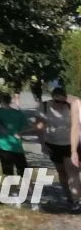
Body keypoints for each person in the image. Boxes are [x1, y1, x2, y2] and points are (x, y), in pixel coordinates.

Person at [34, 83, 81, 211]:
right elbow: (39, 127)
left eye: (62, 101)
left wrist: (73, 151)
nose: (59, 104)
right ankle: (70, 198)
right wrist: (42, 144)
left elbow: (76, 127)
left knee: (72, 171)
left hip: (70, 143)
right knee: (62, 172)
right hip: (53, 144)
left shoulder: (72, 107)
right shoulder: (44, 107)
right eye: (56, 101)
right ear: (52, 98)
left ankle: (77, 201)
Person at [0, 91, 30, 177]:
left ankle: (12, 189)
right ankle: (30, 189)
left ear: (0, 101)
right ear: (10, 101)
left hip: (4, 144)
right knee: (24, 172)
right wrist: (20, 133)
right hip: (17, 145)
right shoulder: (19, 113)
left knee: (8, 171)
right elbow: (27, 126)